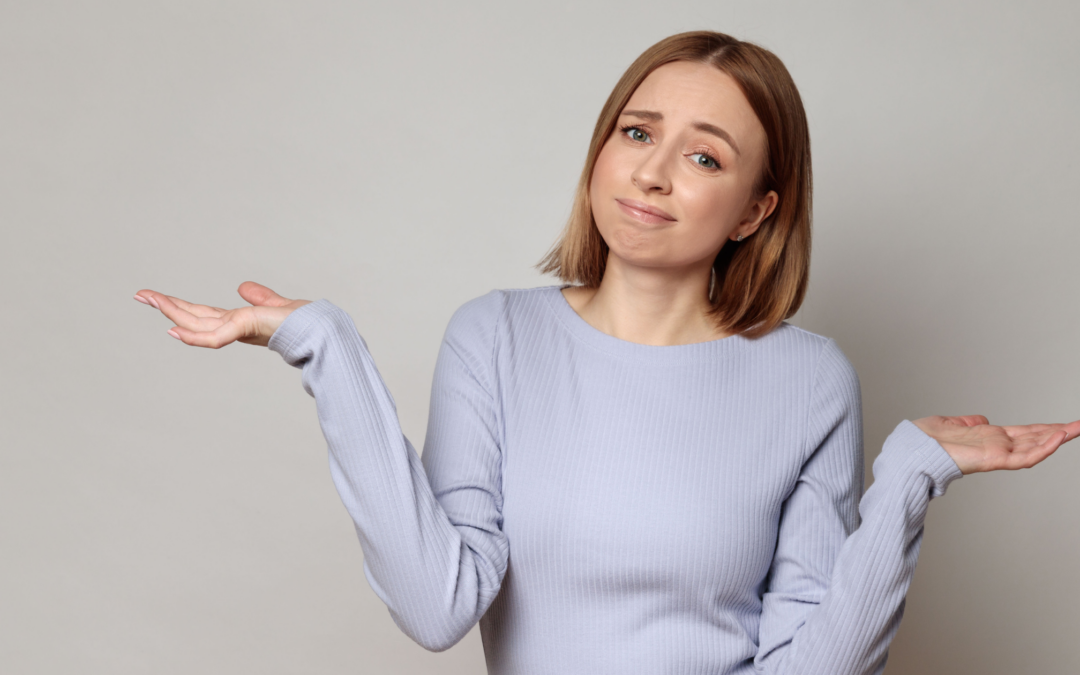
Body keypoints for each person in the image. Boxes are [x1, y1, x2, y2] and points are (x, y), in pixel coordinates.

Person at [133, 31, 1077, 675]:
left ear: (757, 210)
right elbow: (436, 605)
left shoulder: (809, 378)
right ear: (602, 150)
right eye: (637, 132)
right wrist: (323, 347)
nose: (653, 172)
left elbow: (811, 663)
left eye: (705, 157)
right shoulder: (495, 336)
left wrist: (910, 477)